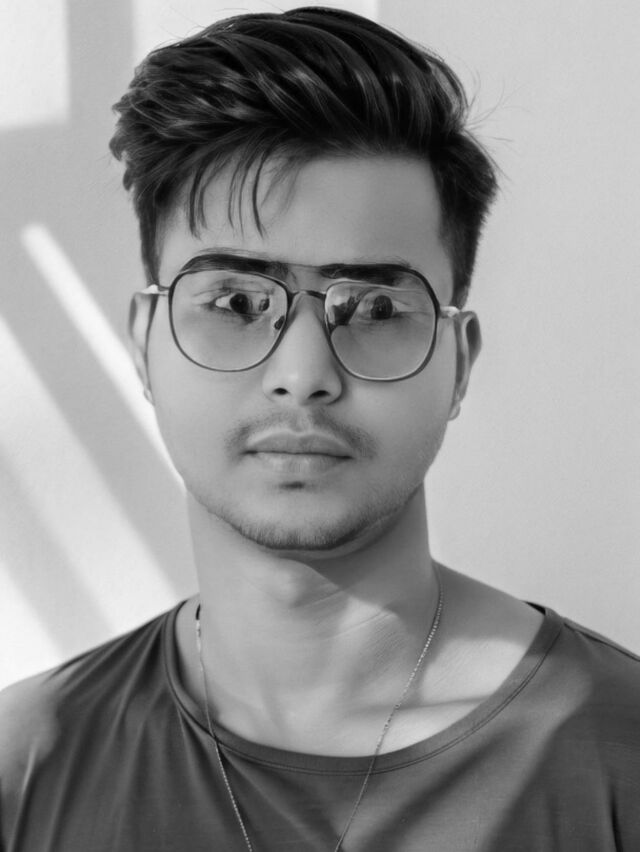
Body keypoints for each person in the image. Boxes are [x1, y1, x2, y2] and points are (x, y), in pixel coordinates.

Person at [1, 7, 639, 851]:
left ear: (458, 361)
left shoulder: (616, 756)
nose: (302, 373)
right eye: (235, 301)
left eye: (374, 308)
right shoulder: (27, 766)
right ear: (145, 343)